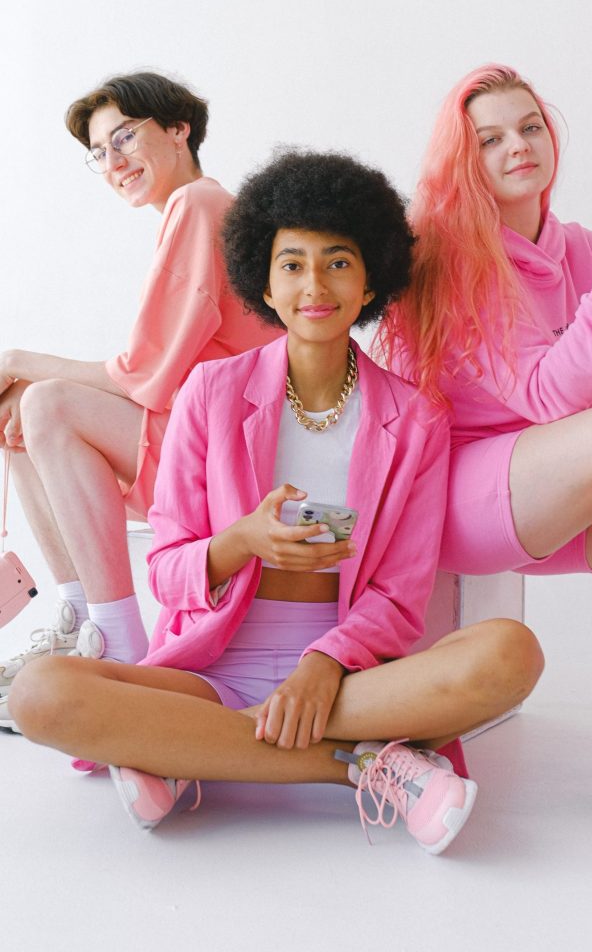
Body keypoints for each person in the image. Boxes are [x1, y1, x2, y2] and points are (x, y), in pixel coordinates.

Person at [8, 150, 542, 852]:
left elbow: (402, 593)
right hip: (212, 670)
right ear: (261, 274)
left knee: (511, 653)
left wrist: (321, 670)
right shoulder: (210, 393)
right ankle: (361, 765)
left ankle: (184, 756)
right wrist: (240, 542)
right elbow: (167, 569)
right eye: (291, 264)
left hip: (351, 676)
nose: (313, 285)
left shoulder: (415, 419)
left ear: (369, 275)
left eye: (337, 262)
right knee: (39, 694)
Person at [378, 63, 592, 793]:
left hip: (541, 490)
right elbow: (549, 399)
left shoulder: (577, 250)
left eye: (529, 127)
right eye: (490, 138)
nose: (517, 145)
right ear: (466, 163)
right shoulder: (456, 261)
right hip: (455, 498)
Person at [0, 72, 280, 728]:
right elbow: (154, 377)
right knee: (19, 416)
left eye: (124, 137)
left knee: (43, 403)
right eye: (99, 153)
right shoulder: (191, 214)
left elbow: (145, 374)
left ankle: (117, 646)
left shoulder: (199, 205)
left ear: (178, 129)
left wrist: (16, 360)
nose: (113, 161)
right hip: (203, 443)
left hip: (233, 460)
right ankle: (78, 622)